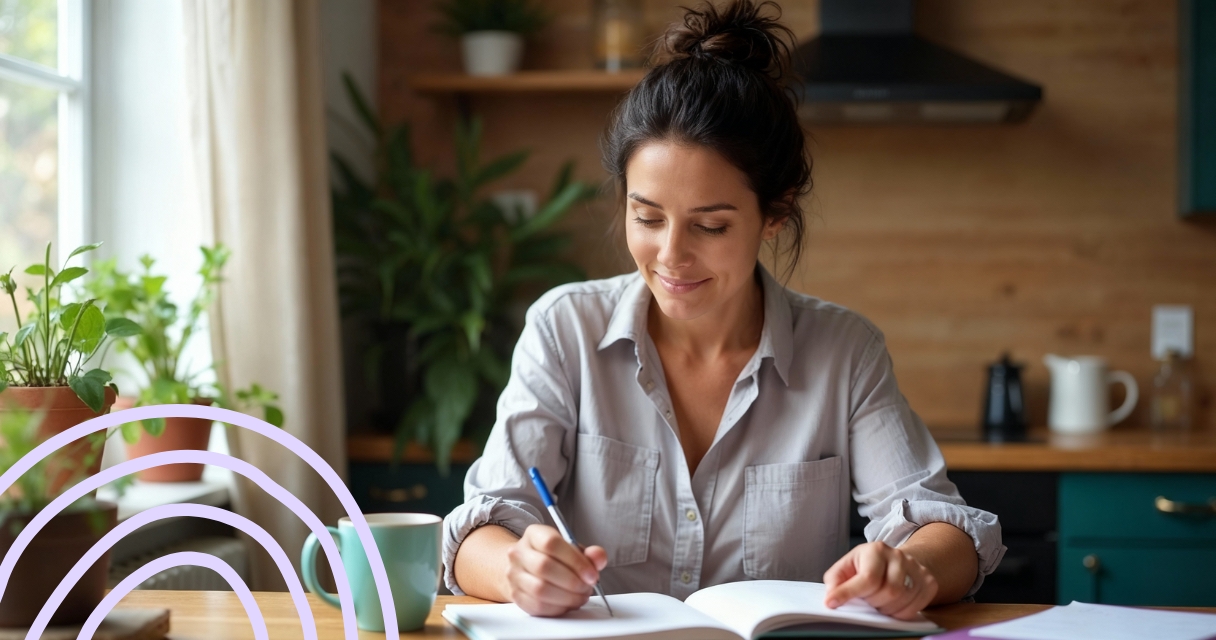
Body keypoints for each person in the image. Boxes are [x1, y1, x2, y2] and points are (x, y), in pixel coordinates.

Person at [442, 0, 1005, 620]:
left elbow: (944, 523)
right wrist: (517, 569)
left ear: (775, 215)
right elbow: (476, 530)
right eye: (647, 216)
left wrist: (909, 567)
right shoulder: (565, 329)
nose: (670, 255)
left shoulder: (844, 350)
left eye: (710, 225)